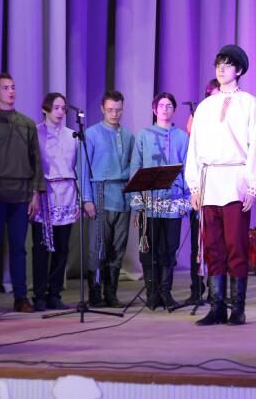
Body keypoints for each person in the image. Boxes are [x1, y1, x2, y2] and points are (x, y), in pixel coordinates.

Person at [185, 44, 256, 326]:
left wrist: (253, 185)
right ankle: (216, 306)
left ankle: (237, 308)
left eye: (227, 64)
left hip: (235, 180)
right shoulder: (205, 107)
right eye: (218, 64)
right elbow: (195, 148)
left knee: (236, 245)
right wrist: (194, 185)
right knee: (213, 247)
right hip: (209, 181)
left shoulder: (249, 104)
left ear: (239, 70)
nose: (221, 69)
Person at [0, 73, 44, 314]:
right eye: (5, 88)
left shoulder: (27, 123)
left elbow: (36, 160)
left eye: (13, 87)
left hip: (21, 195)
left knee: (19, 249)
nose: (11, 91)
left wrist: (36, 193)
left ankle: (21, 297)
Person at [130, 92, 191, 311]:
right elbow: (135, 168)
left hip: (173, 202)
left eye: (169, 106)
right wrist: (137, 204)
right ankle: (151, 293)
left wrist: (186, 201)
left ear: (174, 110)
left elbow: (188, 170)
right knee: (148, 249)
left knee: (169, 248)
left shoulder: (182, 137)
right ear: (154, 109)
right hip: (150, 202)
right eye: (161, 105)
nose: (165, 109)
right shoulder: (144, 135)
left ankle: (166, 292)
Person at [31, 93, 83, 311]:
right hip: (45, 193)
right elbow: (33, 165)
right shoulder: (35, 132)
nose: (60, 112)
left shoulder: (72, 135)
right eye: (56, 108)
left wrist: (80, 199)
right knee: (42, 247)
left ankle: (54, 293)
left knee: (62, 247)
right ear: (46, 109)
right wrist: (33, 193)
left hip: (67, 192)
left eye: (63, 108)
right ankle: (39, 295)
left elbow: (78, 167)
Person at [82, 90, 134, 307]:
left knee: (118, 248)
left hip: (122, 194)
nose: (114, 114)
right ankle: (95, 294)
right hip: (100, 193)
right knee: (98, 247)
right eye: (110, 109)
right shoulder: (91, 134)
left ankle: (111, 293)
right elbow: (83, 168)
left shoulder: (128, 136)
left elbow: (133, 168)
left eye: (118, 110)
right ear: (102, 109)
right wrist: (87, 198)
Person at [186, 78, 220, 305]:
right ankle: (196, 289)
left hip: (221, 189)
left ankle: (217, 290)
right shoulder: (200, 116)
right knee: (197, 243)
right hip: (202, 185)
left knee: (218, 243)